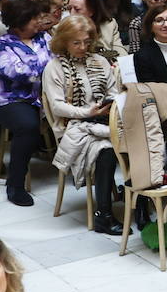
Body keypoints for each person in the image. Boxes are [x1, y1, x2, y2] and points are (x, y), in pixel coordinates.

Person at [41, 15, 122, 235]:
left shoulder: (100, 61)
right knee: (106, 151)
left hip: (104, 118)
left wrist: (108, 104)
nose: (83, 47)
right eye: (76, 42)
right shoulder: (53, 68)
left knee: (139, 138)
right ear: (64, 42)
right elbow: (57, 106)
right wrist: (87, 112)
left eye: (87, 41)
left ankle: (141, 203)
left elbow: (114, 92)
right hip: (73, 126)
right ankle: (103, 215)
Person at [0, 0, 53, 206]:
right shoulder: (0, 45)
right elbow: (17, 73)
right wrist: (47, 70)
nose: (38, 21)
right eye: (34, 18)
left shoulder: (43, 37)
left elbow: (58, 60)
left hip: (42, 97)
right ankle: (15, 185)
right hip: (9, 100)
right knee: (28, 126)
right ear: (21, 21)